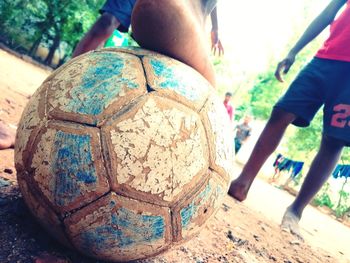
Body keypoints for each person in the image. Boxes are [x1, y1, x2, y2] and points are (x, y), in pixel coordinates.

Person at [229, 0, 350, 239]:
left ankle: (295, 211)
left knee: (334, 140)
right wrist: (294, 51)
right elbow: (328, 12)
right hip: (325, 59)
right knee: (281, 111)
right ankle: (243, 182)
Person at [72, 0, 224, 87]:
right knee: (106, 23)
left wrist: (215, 26)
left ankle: (197, 10)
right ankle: (71, 76)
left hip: (187, 11)